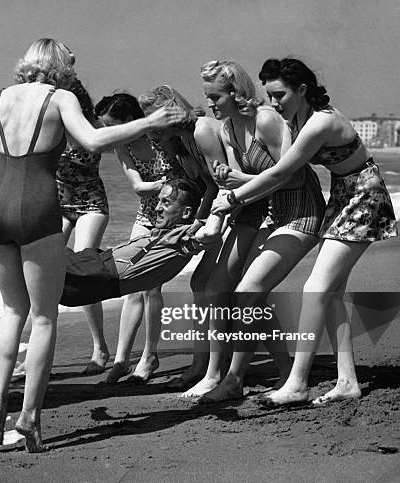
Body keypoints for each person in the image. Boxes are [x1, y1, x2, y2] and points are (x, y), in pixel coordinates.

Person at [0, 38, 186, 451]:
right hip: (38, 207)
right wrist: (147, 123)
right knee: (42, 317)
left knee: (11, 310)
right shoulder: (61, 98)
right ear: (59, 67)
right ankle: (30, 418)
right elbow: (92, 141)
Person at [211, 58, 396, 406]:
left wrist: (233, 196)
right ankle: (347, 381)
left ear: (303, 90)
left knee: (316, 287)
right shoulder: (293, 118)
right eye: (269, 95)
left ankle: (296, 382)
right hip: (343, 193)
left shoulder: (321, 123)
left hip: (364, 196)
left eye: (280, 94)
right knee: (332, 291)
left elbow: (282, 174)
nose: (274, 102)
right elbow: (279, 168)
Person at [181, 60, 327, 401]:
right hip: (269, 216)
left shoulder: (266, 120)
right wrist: (220, 205)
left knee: (247, 291)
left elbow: (292, 174)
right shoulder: (228, 129)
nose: (211, 104)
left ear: (236, 93)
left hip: (301, 212)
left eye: (215, 97)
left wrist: (237, 185)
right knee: (250, 294)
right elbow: (241, 187)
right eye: (208, 97)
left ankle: (233, 378)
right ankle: (285, 372)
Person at [137, 86, 226, 390]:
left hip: (234, 211)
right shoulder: (178, 142)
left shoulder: (198, 133)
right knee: (203, 285)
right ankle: (204, 365)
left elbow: (216, 183)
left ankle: (213, 369)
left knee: (212, 286)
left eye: (155, 121)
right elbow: (197, 186)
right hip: (217, 211)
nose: (151, 129)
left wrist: (198, 221)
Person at [95, 92, 186, 384]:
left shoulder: (159, 138)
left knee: (151, 289)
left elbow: (183, 180)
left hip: (172, 218)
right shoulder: (123, 148)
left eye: (111, 125)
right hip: (146, 215)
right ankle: (121, 359)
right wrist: (166, 184)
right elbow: (138, 187)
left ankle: (149, 356)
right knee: (130, 284)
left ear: (131, 120)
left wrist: (165, 188)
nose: (108, 132)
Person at [61, 178, 222, 306]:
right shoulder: (169, 234)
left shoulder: (182, 239)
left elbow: (210, 231)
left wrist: (227, 197)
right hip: (94, 268)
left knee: (42, 249)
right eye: (159, 201)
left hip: (96, 274)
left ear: (186, 213)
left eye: (166, 202)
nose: (157, 208)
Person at [56, 78, 111, 375]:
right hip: (59, 203)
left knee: (83, 265)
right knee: (44, 272)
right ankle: (42, 350)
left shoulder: (94, 126)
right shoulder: (52, 126)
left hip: (91, 202)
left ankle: (100, 348)